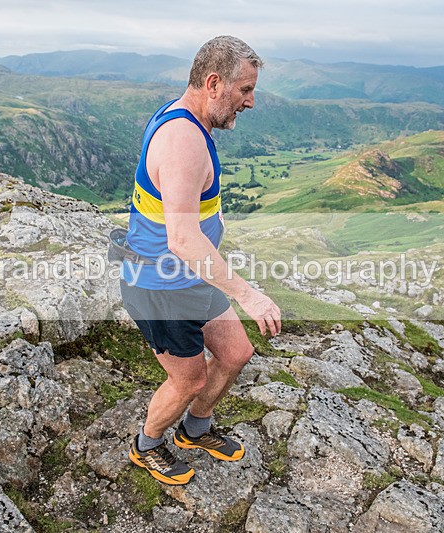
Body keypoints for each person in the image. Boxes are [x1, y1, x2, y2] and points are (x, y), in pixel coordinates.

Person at [119, 35, 282, 485]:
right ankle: (147, 444)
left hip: (188, 279)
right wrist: (251, 296)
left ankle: (194, 430)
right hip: (160, 285)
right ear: (214, 83)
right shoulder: (182, 141)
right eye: (245, 90)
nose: (250, 102)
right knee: (188, 379)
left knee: (235, 352)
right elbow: (183, 240)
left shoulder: (188, 120)